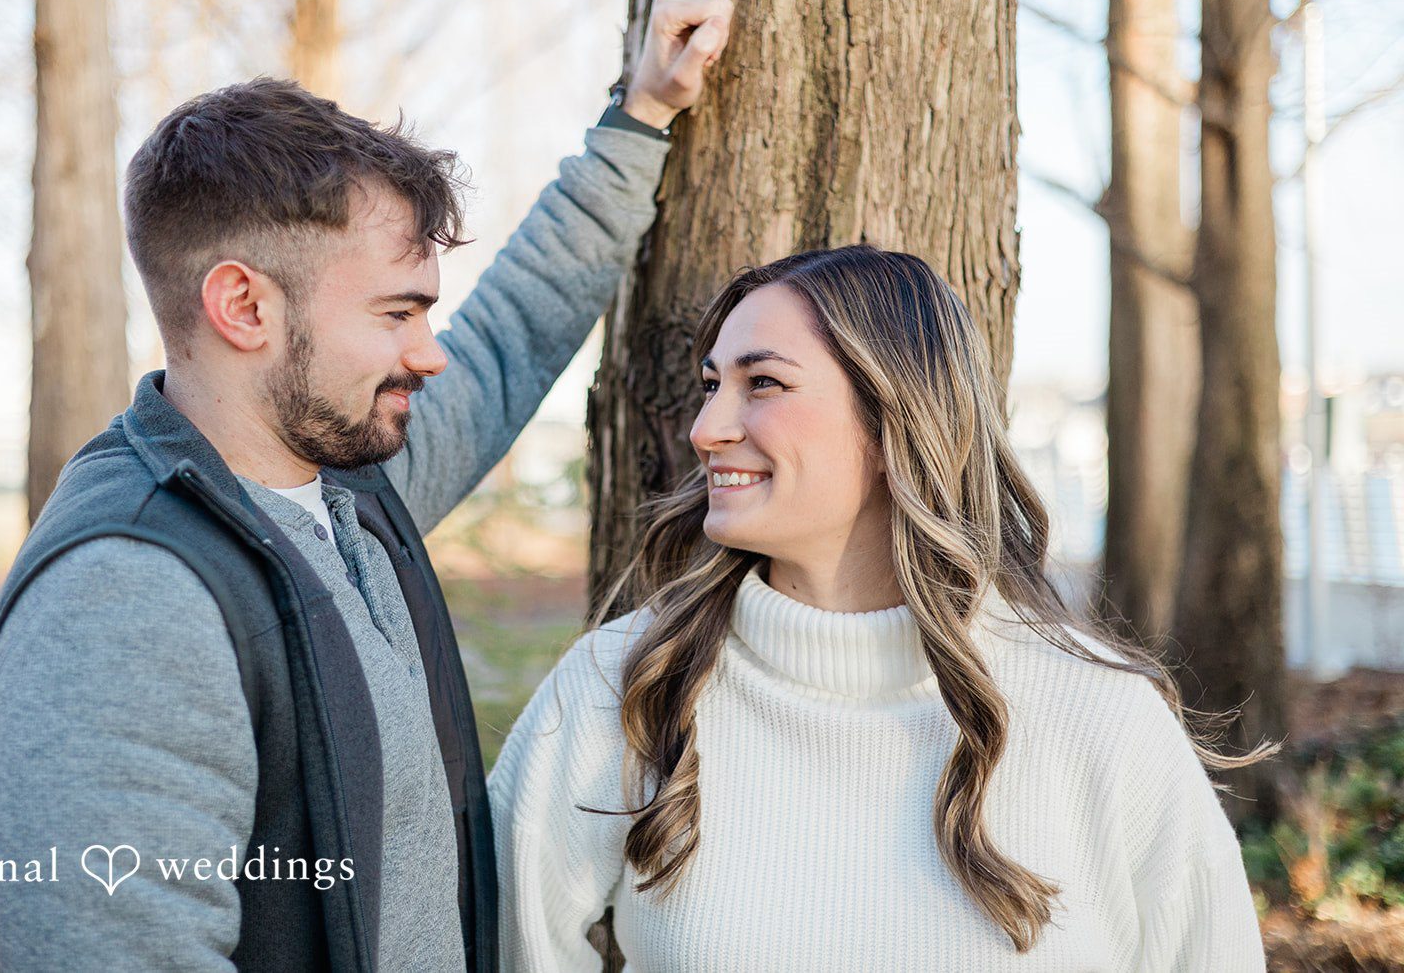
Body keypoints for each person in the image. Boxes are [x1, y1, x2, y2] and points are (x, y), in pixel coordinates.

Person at [0, 0, 733, 972]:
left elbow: (512, 329)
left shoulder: (347, 490)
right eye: (396, 312)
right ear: (243, 303)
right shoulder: (124, 597)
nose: (431, 353)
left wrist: (640, 116)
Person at [490, 245, 1273, 972]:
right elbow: (495, 939)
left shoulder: (1100, 716)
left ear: (894, 414)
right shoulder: (623, 685)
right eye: (711, 383)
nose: (705, 429)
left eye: (762, 382)